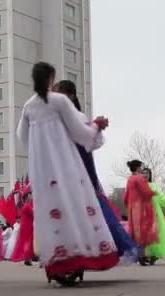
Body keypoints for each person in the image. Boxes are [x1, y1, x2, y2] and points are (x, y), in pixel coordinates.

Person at [16, 62, 119, 286]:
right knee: (74, 207)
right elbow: (80, 132)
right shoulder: (59, 100)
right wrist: (97, 127)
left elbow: (21, 137)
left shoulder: (29, 106)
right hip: (65, 164)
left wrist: (38, 154)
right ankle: (79, 255)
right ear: (51, 80)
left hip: (42, 170)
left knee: (51, 213)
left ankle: (57, 262)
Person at [55, 80, 138, 265]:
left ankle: (90, 253)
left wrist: (96, 128)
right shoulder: (52, 118)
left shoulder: (77, 116)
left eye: (61, 94)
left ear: (71, 96)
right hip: (58, 168)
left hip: (79, 169)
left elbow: (93, 142)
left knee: (87, 209)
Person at [124, 160, 157, 265]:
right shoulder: (139, 178)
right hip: (141, 208)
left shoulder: (130, 179)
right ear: (138, 167)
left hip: (132, 208)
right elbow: (146, 191)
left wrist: (128, 204)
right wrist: (154, 192)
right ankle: (141, 256)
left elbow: (125, 196)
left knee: (137, 232)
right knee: (143, 231)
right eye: (141, 167)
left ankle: (141, 256)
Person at [142, 168, 165, 264]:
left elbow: (161, 195)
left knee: (154, 232)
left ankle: (153, 254)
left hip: (154, 212)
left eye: (147, 173)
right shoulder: (138, 186)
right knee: (143, 233)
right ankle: (143, 254)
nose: (145, 175)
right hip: (141, 212)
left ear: (150, 175)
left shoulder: (154, 186)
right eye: (144, 173)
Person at [10, 190, 35, 266]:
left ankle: (28, 259)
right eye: (30, 195)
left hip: (27, 225)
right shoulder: (27, 206)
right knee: (27, 241)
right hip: (27, 226)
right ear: (27, 197)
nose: (31, 196)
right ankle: (27, 258)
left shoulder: (27, 205)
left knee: (27, 242)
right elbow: (33, 213)